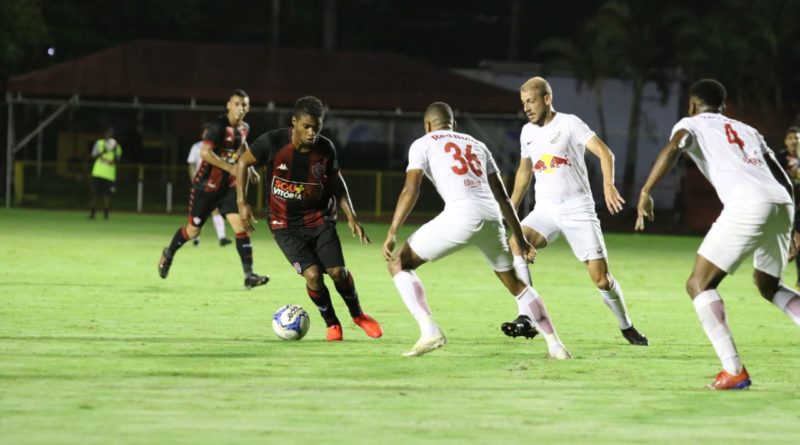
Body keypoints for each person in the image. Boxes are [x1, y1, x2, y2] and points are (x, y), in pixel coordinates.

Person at [636, 79, 800, 390]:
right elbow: (783, 177)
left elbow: (674, 147)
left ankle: (733, 370)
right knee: (769, 286)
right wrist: (790, 224)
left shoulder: (690, 124)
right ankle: (734, 370)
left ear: (692, 105)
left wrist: (646, 190)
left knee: (699, 284)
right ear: (723, 107)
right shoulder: (747, 130)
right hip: (782, 202)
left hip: (749, 203)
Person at [382, 101, 571, 358]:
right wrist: (518, 236)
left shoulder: (423, 142)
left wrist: (393, 231)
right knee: (518, 286)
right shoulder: (477, 144)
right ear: (455, 125)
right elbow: (503, 197)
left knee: (398, 264)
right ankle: (556, 346)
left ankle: (429, 332)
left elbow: (410, 189)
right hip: (491, 216)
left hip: (461, 215)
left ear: (427, 125)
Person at [501, 76, 649, 346]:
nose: (526, 108)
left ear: (547, 99)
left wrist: (607, 185)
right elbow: (524, 172)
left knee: (601, 280)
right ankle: (527, 316)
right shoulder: (527, 132)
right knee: (515, 242)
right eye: (523, 103)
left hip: (578, 209)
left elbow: (605, 153)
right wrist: (510, 206)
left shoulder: (569, 123)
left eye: (531, 101)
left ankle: (626, 326)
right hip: (545, 210)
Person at [235, 96, 382, 341]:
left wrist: (351, 216)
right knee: (313, 275)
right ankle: (332, 323)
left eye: (317, 126)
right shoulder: (272, 143)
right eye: (307, 126)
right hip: (284, 225)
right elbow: (242, 162)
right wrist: (242, 202)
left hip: (319, 219)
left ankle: (358, 315)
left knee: (338, 272)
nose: (312, 132)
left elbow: (336, 182)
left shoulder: (325, 148)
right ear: (294, 122)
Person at [158, 89, 269, 289]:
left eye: (244, 105)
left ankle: (249, 275)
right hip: (205, 187)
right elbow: (205, 153)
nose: (240, 108)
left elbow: (241, 148)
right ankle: (168, 253)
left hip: (227, 188)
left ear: (248, 108)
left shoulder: (244, 128)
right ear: (228, 105)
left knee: (241, 228)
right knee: (192, 231)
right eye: (236, 104)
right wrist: (232, 169)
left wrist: (249, 167)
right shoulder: (218, 126)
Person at [187, 124, 233, 247]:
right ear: (203, 134)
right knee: (199, 212)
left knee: (215, 210)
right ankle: (195, 238)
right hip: (200, 184)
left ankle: (222, 237)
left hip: (213, 184)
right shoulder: (196, 147)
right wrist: (194, 180)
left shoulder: (217, 148)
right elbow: (191, 164)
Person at [778, 126, 800, 288]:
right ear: (786, 141)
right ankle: (773, 277)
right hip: (782, 206)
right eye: (791, 138)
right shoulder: (779, 158)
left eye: (797, 138)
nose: (795, 141)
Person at [89, 127, 122, 220]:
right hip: (98, 172)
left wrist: (114, 150)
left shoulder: (117, 146)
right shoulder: (99, 143)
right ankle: (92, 214)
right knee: (94, 193)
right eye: (108, 133)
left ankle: (106, 214)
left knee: (107, 195)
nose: (109, 135)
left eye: (111, 133)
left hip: (109, 175)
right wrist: (104, 150)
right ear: (104, 134)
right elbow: (93, 156)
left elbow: (118, 160)